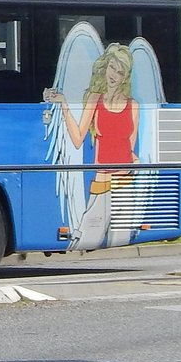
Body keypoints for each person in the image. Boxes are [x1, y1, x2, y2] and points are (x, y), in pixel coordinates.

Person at [44, 43, 138, 249]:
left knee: (119, 242)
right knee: (87, 239)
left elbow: (129, 146)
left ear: (125, 77)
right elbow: (78, 138)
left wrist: (135, 160)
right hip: (101, 186)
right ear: (105, 68)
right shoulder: (95, 100)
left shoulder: (133, 105)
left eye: (120, 71)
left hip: (125, 188)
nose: (114, 75)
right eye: (112, 67)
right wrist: (64, 106)